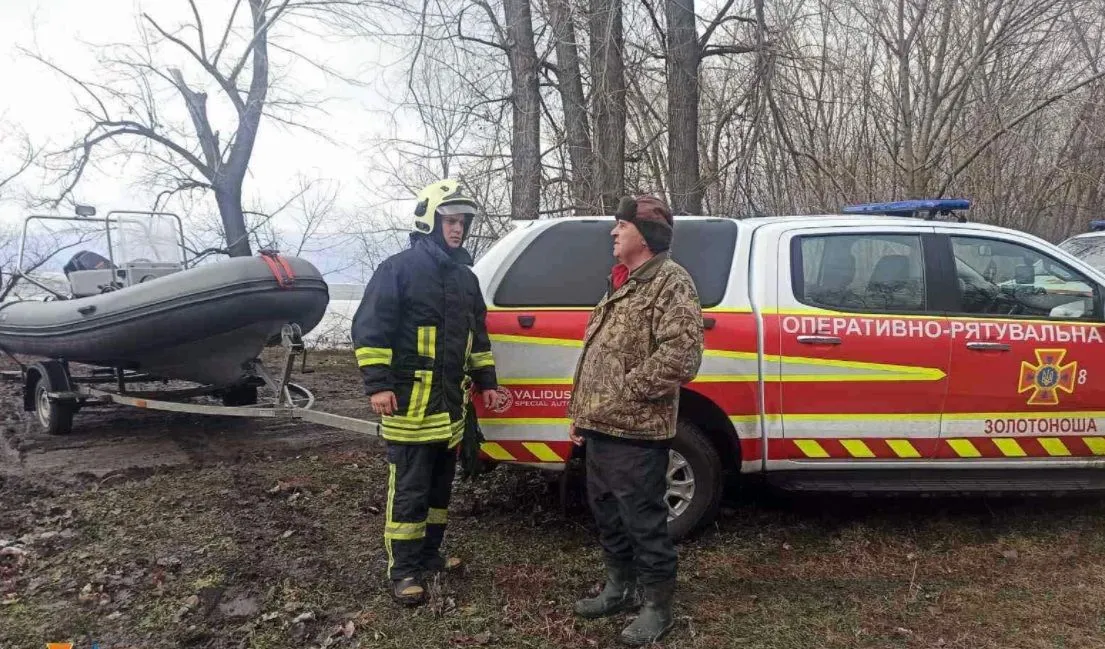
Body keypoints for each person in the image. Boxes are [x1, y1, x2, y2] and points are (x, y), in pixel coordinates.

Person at [351, 179, 504, 606]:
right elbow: (370, 329)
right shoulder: (397, 270)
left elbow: (478, 337)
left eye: (463, 223)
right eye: (450, 221)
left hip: (449, 411)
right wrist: (377, 385)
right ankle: (403, 571)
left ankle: (430, 555)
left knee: (440, 491)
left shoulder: (466, 279)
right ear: (430, 221)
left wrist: (488, 384)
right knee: (410, 493)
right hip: (410, 407)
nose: (458, 229)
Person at [567, 195, 704, 645]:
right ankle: (618, 588)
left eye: (621, 226)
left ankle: (655, 606)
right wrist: (581, 413)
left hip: (638, 431)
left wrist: (626, 392)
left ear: (643, 235)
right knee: (607, 513)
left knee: (642, 520)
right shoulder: (622, 281)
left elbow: (682, 356)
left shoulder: (670, 282)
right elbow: (599, 355)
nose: (613, 233)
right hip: (601, 427)